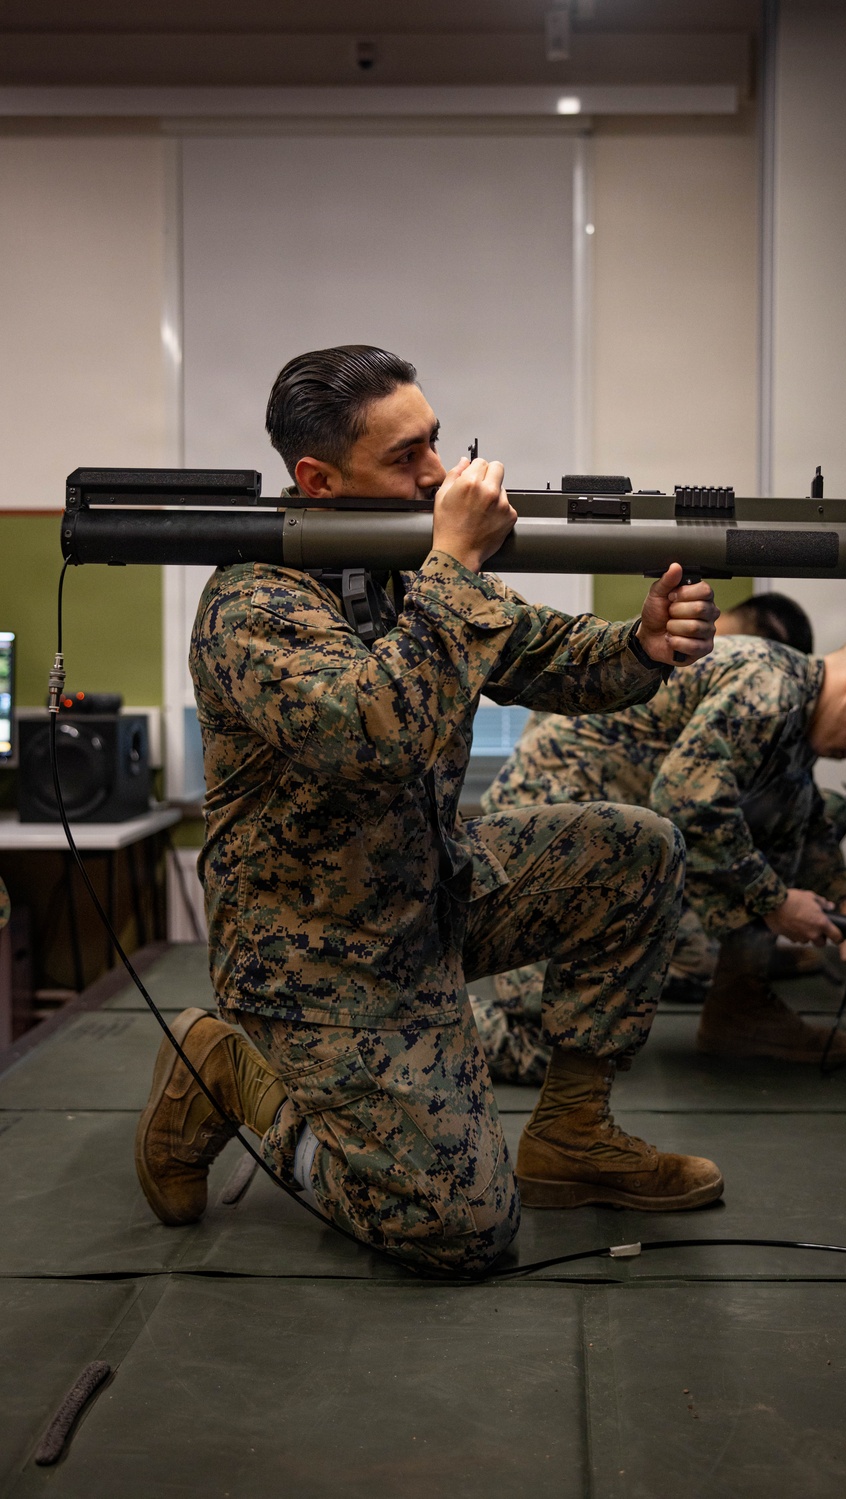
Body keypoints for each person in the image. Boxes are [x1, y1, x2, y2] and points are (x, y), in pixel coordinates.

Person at [133, 344, 724, 1277]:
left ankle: (573, 1131)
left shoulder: (413, 571)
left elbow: (548, 653)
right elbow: (371, 732)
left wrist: (643, 643)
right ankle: (235, 1074)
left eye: (436, 442)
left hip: (430, 891)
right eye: (406, 455)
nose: (439, 474)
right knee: (460, 1228)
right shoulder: (251, 603)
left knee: (636, 849)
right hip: (313, 952)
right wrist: (451, 565)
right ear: (318, 480)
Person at [475, 597, 846, 1083]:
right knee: (550, 1053)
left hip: (612, 836)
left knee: (759, 838)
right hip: (555, 826)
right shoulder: (772, 690)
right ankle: (398, 1023)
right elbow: (689, 799)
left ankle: (741, 1010)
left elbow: (798, 818)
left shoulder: (794, 709)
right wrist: (775, 901)